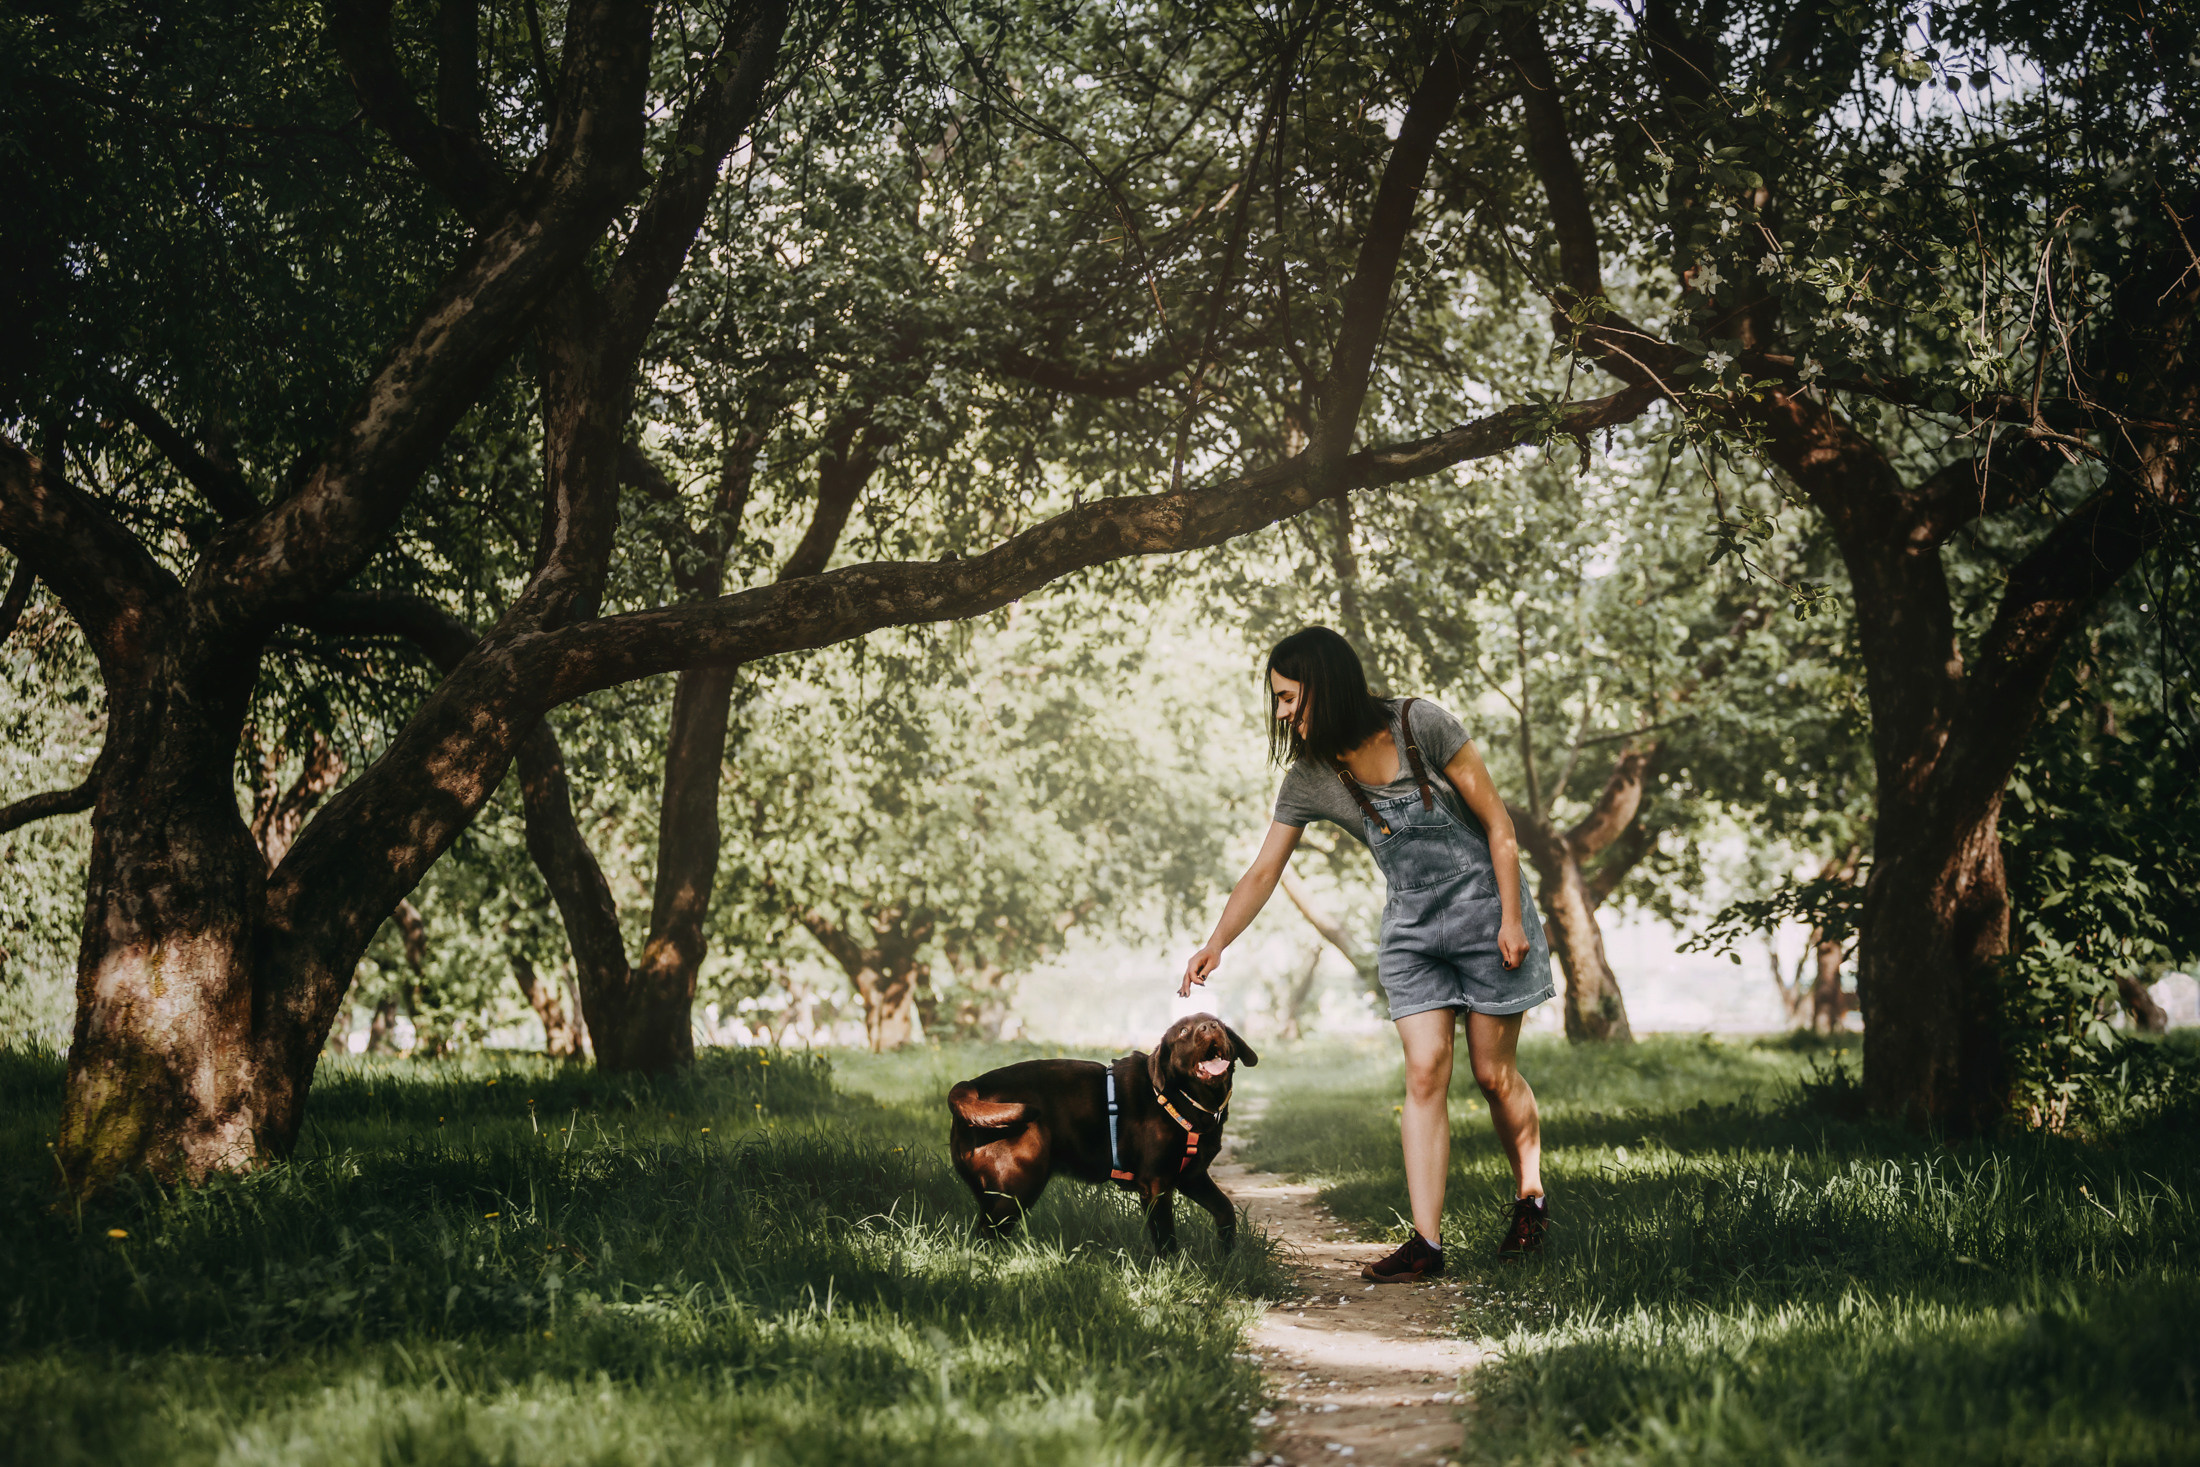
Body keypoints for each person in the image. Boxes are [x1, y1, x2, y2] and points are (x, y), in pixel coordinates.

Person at [1179, 626, 1554, 1278]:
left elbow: (1498, 823)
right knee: (1424, 1069)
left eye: (1289, 696)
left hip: (1489, 921)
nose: (1281, 712)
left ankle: (1530, 1195)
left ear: (1326, 682)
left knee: (1492, 1075)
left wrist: (1514, 917)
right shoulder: (1311, 778)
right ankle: (1427, 1243)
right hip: (1413, 936)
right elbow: (1264, 870)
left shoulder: (1422, 723)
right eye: (1277, 700)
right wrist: (1216, 942)